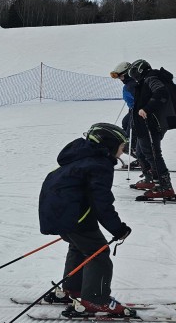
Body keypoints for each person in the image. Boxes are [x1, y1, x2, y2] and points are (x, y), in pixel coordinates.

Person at [38, 123, 133, 317]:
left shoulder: (82, 158)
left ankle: (72, 290)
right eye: (122, 146)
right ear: (109, 144)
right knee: (98, 253)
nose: (123, 151)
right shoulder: (100, 164)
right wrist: (118, 228)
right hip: (73, 216)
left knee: (80, 248)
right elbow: (102, 202)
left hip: (57, 213)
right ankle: (96, 301)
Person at [125, 60, 176, 199]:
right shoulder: (146, 79)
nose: (134, 77)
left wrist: (147, 108)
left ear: (140, 70)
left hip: (150, 124)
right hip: (142, 124)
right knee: (140, 152)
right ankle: (150, 180)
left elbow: (161, 93)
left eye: (134, 74)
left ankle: (165, 187)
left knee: (152, 154)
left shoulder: (152, 78)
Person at [110, 62, 140, 169]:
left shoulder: (132, 85)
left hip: (138, 112)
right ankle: (141, 157)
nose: (120, 79)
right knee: (125, 123)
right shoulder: (129, 84)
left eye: (121, 76)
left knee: (130, 139)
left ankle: (144, 159)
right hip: (132, 111)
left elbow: (140, 100)